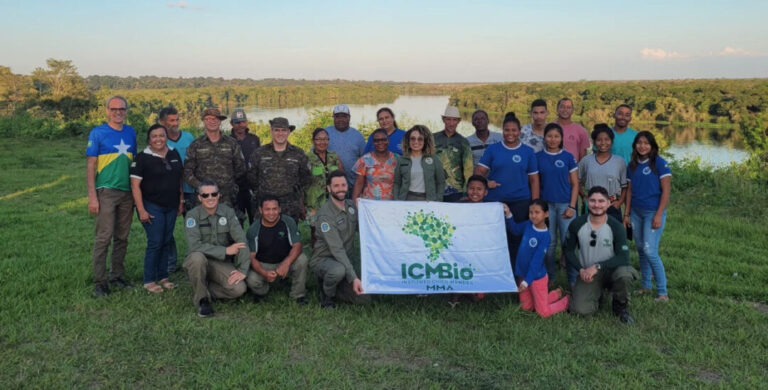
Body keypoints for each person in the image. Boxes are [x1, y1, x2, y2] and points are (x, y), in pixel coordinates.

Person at [474, 112, 539, 269]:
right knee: (495, 239)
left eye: (514, 130)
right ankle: (494, 271)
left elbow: (534, 179)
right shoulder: (493, 149)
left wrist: (535, 203)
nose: (510, 133)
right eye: (507, 130)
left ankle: (516, 273)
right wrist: (486, 182)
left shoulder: (527, 152)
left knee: (517, 239)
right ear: (502, 131)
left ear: (520, 131)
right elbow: (478, 173)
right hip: (496, 202)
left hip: (520, 202)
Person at [86, 95, 137, 296]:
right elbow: (91, 165)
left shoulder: (131, 132)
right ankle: (100, 281)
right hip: (106, 190)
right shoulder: (98, 133)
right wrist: (92, 196)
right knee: (104, 237)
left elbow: (135, 162)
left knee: (122, 237)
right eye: (114, 109)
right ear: (107, 110)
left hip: (127, 192)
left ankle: (117, 276)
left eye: (122, 109)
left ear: (126, 111)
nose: (118, 112)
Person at [565, 186, 639, 323]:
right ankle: (596, 294)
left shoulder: (616, 226)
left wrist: (598, 266)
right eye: (592, 201)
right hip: (588, 274)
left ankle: (620, 307)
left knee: (625, 274)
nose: (597, 205)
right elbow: (568, 250)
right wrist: (580, 269)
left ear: (608, 203)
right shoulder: (577, 224)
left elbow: (624, 257)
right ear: (587, 201)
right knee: (579, 311)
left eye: (601, 201)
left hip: (612, 271)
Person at [129, 124, 184, 293]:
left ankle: (163, 276)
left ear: (166, 136)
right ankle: (149, 280)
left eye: (162, 135)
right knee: (155, 242)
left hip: (172, 205)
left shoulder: (174, 153)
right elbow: (135, 186)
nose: (158, 139)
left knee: (166, 241)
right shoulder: (142, 158)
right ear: (149, 139)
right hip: (152, 206)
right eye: (154, 136)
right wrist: (141, 210)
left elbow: (179, 179)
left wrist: (181, 200)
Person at [183, 180, 249, 318]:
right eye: (205, 195)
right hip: (200, 260)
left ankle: (207, 288)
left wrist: (243, 270)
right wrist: (225, 251)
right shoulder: (192, 215)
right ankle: (202, 300)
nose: (210, 198)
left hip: (220, 262)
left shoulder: (228, 212)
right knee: (197, 258)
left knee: (239, 289)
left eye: (213, 194)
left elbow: (241, 241)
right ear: (199, 197)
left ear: (219, 195)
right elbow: (195, 245)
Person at [311, 170, 370, 308]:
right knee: (338, 271)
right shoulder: (325, 216)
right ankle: (327, 294)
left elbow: (363, 231)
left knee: (364, 299)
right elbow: (336, 249)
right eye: (336, 186)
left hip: (345, 260)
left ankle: (338, 286)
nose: (340, 189)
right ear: (329, 188)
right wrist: (354, 277)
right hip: (325, 259)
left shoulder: (351, 206)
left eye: (343, 185)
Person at [625, 131, 671, 302]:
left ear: (652, 146)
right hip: (636, 212)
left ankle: (662, 292)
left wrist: (659, 214)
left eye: (646, 143)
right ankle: (645, 286)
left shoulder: (659, 163)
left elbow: (666, 191)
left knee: (650, 251)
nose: (642, 146)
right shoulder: (632, 165)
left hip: (652, 212)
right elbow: (629, 191)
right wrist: (627, 213)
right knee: (640, 250)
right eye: (639, 143)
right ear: (635, 145)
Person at [504, 200, 570, 318]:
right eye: (531, 212)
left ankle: (567, 301)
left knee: (542, 312)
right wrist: (508, 213)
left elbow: (536, 262)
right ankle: (555, 294)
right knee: (526, 308)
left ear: (546, 214)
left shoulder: (545, 236)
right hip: (523, 275)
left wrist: (526, 282)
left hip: (536, 278)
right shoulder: (528, 225)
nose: (533, 215)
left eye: (537, 212)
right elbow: (514, 230)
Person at [245, 197, 309, 305]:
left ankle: (298, 295)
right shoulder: (253, 229)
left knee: (302, 259)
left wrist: (286, 263)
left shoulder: (288, 221)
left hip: (285, 260)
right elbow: (251, 257)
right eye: (267, 209)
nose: (271, 213)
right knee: (251, 279)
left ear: (279, 209)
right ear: (261, 210)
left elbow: (297, 245)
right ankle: (262, 292)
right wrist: (264, 273)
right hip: (264, 264)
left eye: (274, 209)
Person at [536, 123, 579, 283]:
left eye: (556, 136)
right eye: (549, 136)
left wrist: (572, 206)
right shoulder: (538, 157)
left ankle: (572, 280)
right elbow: (535, 182)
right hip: (547, 207)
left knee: (568, 243)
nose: (552, 139)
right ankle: (550, 278)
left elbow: (575, 184)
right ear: (544, 137)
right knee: (550, 244)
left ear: (561, 138)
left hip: (565, 206)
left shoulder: (568, 157)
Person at [247, 117, 312, 222]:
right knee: (265, 236)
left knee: (289, 236)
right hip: (266, 206)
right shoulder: (259, 153)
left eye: (283, 130)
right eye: (277, 130)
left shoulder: (298, 153)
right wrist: (264, 190)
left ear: (288, 132)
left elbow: (306, 177)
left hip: (290, 206)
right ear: (271, 132)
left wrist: (293, 190)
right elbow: (251, 177)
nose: (280, 133)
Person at [184, 107, 246, 210]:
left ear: (220, 121)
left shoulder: (231, 143)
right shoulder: (196, 145)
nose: (212, 121)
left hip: (227, 197)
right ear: (203, 121)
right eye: (208, 119)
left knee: (228, 225)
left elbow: (240, 168)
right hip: (204, 199)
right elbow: (187, 172)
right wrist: (202, 188)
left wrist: (228, 183)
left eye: (215, 119)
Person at [159, 106, 194, 273]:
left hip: (191, 189)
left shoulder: (188, 137)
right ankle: (170, 263)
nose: (175, 123)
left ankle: (194, 260)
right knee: (167, 228)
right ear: (163, 123)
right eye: (171, 121)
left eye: (177, 119)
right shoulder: (160, 140)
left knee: (194, 226)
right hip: (170, 190)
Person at [578, 124, 627, 223]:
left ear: (612, 141)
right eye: (599, 140)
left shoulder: (619, 161)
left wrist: (620, 201)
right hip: (592, 204)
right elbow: (576, 181)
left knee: (612, 235)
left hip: (611, 204)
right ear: (594, 142)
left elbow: (625, 186)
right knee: (589, 235)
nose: (603, 143)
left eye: (607, 139)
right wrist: (583, 196)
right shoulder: (586, 160)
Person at [393, 125, 446, 201]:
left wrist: (438, 200)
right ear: (408, 140)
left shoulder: (434, 159)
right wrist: (396, 199)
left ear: (425, 141)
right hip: (407, 199)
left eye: (420, 139)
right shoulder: (402, 160)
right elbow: (397, 183)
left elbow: (441, 182)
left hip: (428, 200)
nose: (416, 142)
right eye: (413, 139)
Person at [434, 106, 473, 202]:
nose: (451, 123)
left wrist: (465, 192)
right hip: (434, 189)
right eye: (448, 119)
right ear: (443, 120)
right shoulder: (432, 138)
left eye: (454, 120)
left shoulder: (463, 142)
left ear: (459, 121)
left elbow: (468, 169)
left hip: (456, 190)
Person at [229, 108, 261, 224]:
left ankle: (254, 242)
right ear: (231, 123)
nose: (240, 125)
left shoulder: (254, 139)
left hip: (252, 187)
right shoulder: (227, 141)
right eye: (237, 122)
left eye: (243, 122)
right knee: (237, 222)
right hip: (236, 188)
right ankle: (240, 242)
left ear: (246, 122)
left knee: (256, 220)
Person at [352, 129, 398, 202]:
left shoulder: (397, 159)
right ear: (373, 142)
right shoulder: (364, 160)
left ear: (388, 140)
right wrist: (355, 202)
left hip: (392, 204)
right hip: (370, 204)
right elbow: (358, 183)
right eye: (377, 140)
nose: (380, 142)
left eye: (383, 139)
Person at [325, 104, 365, 187]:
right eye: (337, 117)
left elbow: (365, 160)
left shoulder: (358, 136)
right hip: (330, 183)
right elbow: (314, 154)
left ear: (349, 118)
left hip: (352, 183)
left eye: (344, 116)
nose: (340, 120)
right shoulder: (325, 133)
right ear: (333, 118)